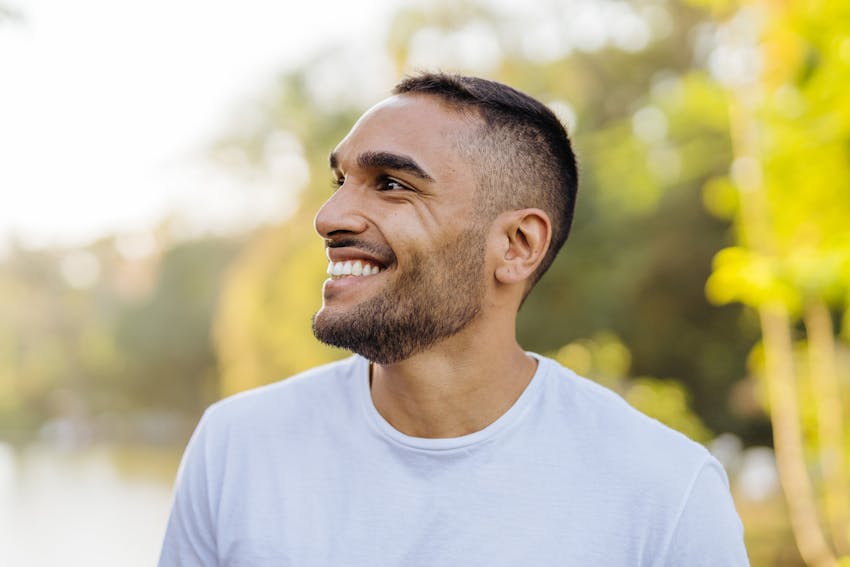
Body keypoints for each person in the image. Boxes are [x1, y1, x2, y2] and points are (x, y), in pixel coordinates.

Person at [159, 72, 749, 566]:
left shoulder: (666, 494)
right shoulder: (235, 447)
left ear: (518, 244)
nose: (329, 216)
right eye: (342, 180)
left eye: (391, 184)